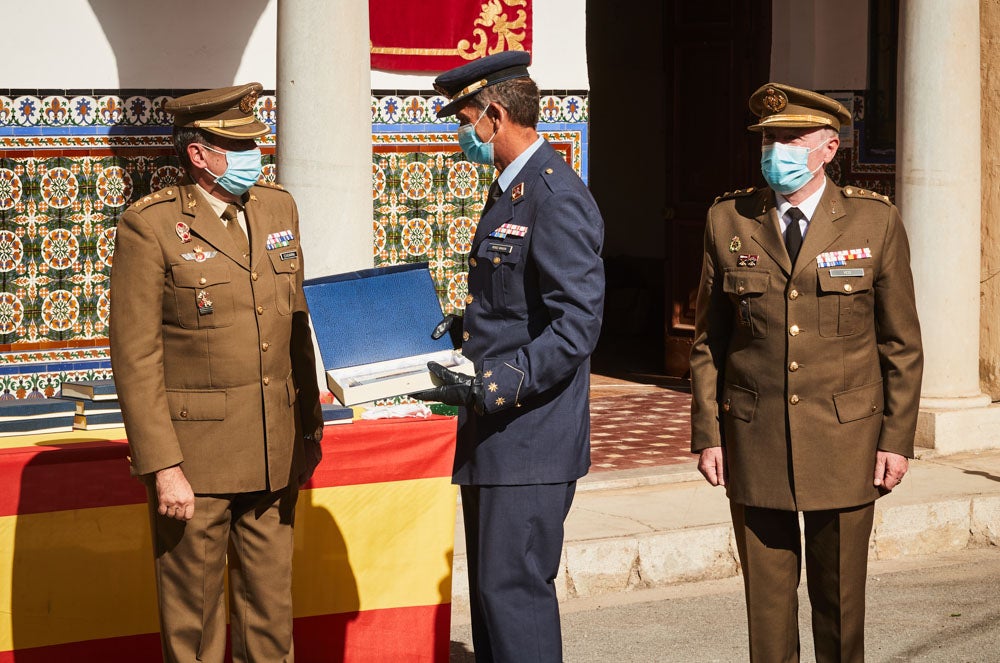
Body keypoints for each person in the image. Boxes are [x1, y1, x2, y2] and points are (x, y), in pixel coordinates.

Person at [689, 82, 924, 662]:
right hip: (756, 437)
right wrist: (709, 433)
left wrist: (896, 440)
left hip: (847, 439)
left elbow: (900, 345)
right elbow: (709, 341)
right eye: (768, 140)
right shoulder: (729, 219)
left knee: (840, 606)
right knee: (767, 612)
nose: (777, 152)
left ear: (829, 148)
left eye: (792, 140)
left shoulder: (873, 222)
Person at [109, 82, 324, 663]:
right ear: (198, 154)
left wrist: (308, 429)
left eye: (256, 143)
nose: (256, 156)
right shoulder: (150, 226)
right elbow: (135, 357)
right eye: (240, 147)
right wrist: (163, 467)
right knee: (195, 632)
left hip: (273, 451)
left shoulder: (277, 207)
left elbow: (295, 323)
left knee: (270, 624)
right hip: (195, 464)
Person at [411, 51, 605, 662]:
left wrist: (496, 382)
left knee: (515, 596)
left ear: (494, 116)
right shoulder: (512, 190)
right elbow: (518, 303)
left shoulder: (554, 195)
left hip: (529, 435)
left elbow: (577, 326)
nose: (461, 135)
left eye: (464, 120)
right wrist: (464, 327)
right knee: (494, 599)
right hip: (496, 434)